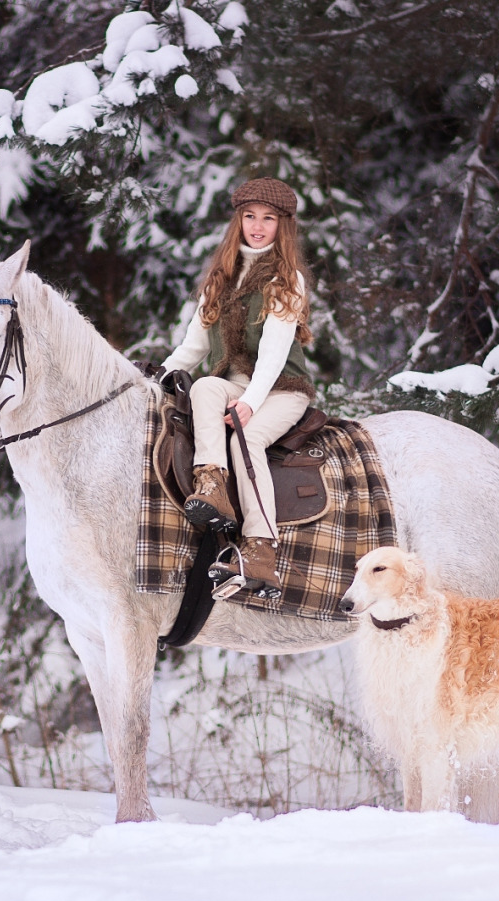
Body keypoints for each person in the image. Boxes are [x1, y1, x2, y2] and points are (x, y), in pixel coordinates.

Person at [161, 177, 316, 599]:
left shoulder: (287, 281)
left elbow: (272, 354)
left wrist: (250, 402)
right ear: (239, 221)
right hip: (233, 385)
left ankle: (261, 548)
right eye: (250, 217)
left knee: (246, 440)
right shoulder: (220, 278)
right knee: (204, 387)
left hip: (281, 388)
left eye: (268, 219)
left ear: (282, 226)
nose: (258, 226)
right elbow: (192, 347)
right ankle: (211, 485)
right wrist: (156, 377)